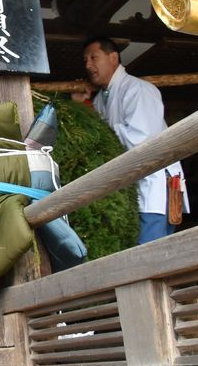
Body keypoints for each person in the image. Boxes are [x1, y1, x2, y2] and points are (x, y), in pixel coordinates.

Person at [73, 37, 188, 244]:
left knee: (151, 253)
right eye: (85, 60)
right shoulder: (101, 98)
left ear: (113, 58)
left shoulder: (138, 89)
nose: (88, 65)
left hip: (153, 186)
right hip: (131, 188)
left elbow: (141, 140)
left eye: (93, 58)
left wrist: (89, 112)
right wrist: (85, 109)